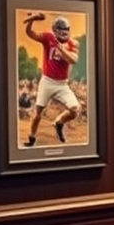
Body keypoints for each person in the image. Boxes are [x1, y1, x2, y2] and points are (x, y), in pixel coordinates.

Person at [22, 13, 79, 146]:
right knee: (38, 113)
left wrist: (62, 50)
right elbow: (30, 33)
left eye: (66, 31)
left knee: (74, 110)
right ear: (55, 31)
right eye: (61, 31)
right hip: (47, 81)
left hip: (62, 84)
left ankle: (58, 123)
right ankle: (31, 138)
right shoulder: (48, 37)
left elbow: (73, 59)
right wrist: (32, 19)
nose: (64, 34)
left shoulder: (71, 43)